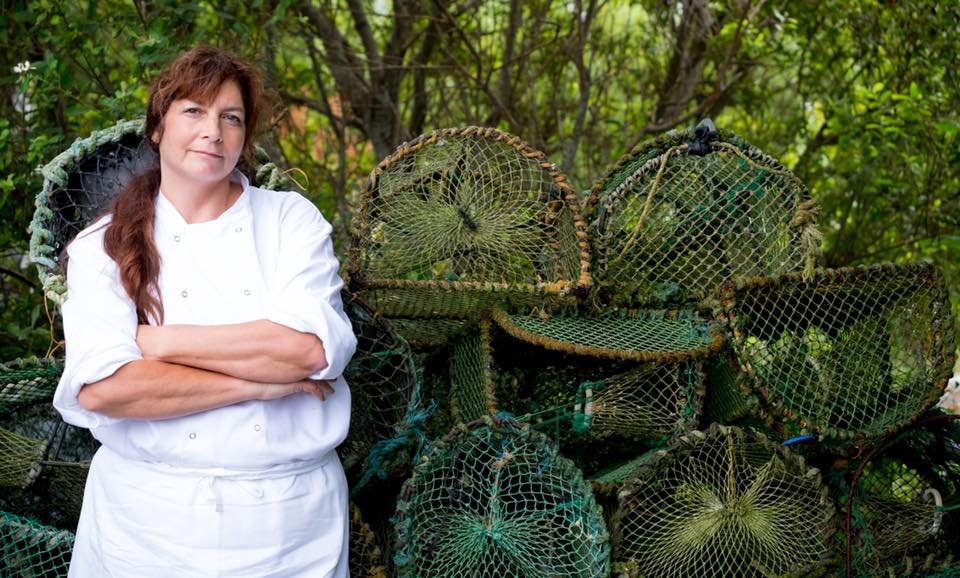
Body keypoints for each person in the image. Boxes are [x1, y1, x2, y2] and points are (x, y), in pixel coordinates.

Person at [52, 46, 356, 577]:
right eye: (194, 111)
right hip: (142, 526)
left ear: (244, 137)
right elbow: (105, 389)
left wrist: (160, 343)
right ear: (157, 127)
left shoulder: (290, 222)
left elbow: (308, 352)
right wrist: (256, 386)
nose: (212, 131)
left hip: (288, 528)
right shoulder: (102, 244)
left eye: (230, 118)